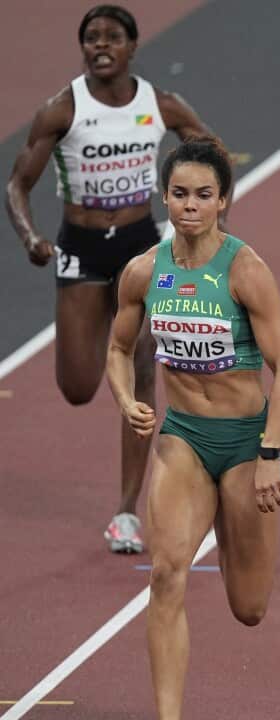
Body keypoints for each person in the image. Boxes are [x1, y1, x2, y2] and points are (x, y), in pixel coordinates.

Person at [5, 4, 219, 553]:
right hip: (79, 250)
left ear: (132, 46)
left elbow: (210, 153)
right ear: (84, 50)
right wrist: (31, 238)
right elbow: (16, 185)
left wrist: (204, 220)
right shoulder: (62, 109)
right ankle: (107, 338)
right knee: (78, 387)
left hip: (140, 247)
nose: (101, 45)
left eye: (112, 37)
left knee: (143, 371)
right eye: (92, 38)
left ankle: (127, 512)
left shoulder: (159, 104)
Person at [105, 136, 280, 720]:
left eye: (203, 195)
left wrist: (270, 453)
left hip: (244, 444)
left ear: (223, 201)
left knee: (250, 607)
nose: (190, 205)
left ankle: (233, 510)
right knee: (165, 574)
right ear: (165, 196)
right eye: (180, 193)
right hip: (182, 437)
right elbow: (117, 348)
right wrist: (124, 397)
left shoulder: (245, 271)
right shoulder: (143, 271)